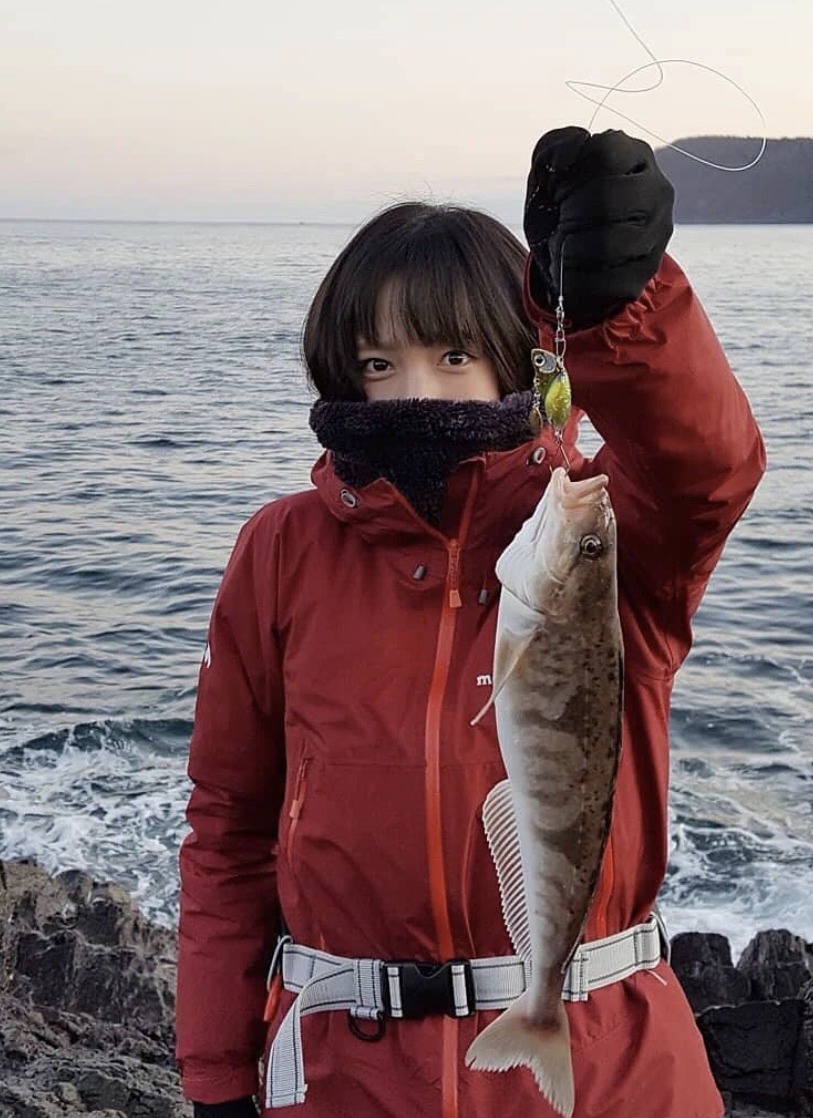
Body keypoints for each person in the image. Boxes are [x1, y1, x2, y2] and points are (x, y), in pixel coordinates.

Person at [176, 127, 766, 1118]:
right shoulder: (282, 549)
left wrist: (623, 306)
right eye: (378, 361)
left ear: (518, 362)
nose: (416, 393)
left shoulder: (601, 531)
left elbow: (706, 466)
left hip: (610, 1073)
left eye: (454, 354)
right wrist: (215, 1069)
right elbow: (228, 824)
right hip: (342, 1077)